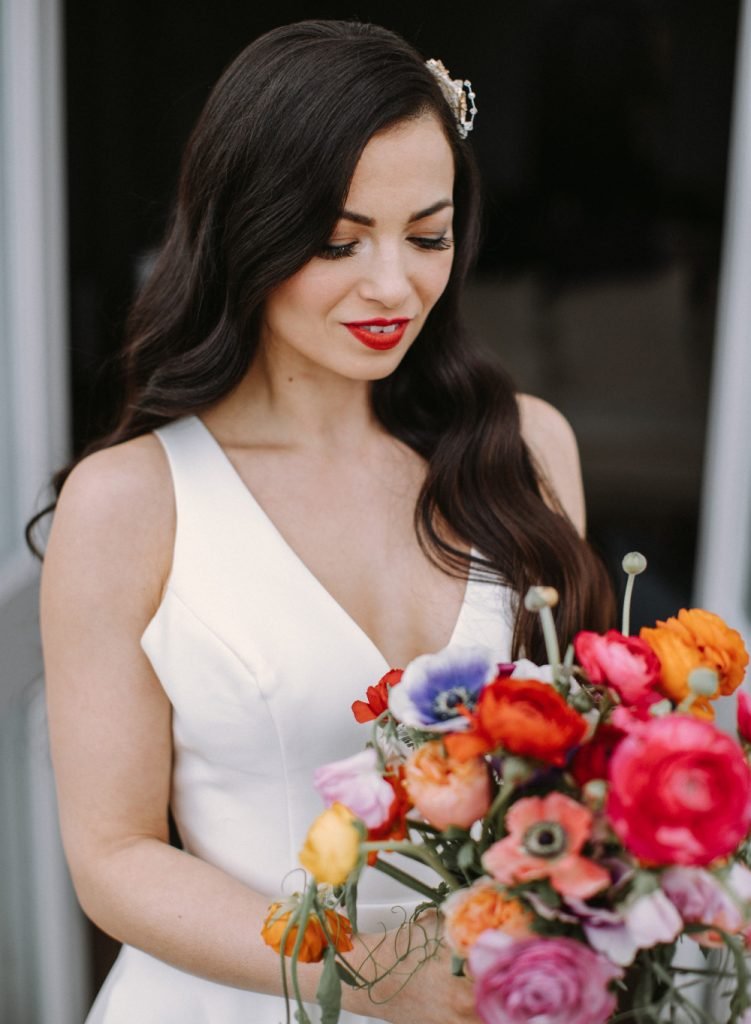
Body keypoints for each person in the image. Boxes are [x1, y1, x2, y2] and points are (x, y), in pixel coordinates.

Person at [37, 19, 615, 1024]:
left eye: (426, 235)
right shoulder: (133, 500)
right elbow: (114, 857)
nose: (393, 285)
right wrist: (370, 972)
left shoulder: (525, 450)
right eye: (339, 240)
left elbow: (590, 761)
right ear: (245, 230)